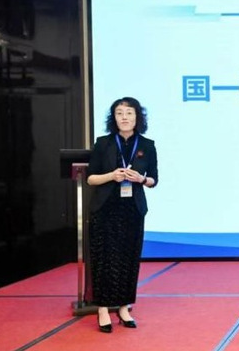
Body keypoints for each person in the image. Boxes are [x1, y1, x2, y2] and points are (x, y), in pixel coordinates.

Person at [87, 97, 158, 333]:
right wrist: (111, 176)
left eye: (129, 113)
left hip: (132, 210)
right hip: (105, 209)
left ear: (138, 117)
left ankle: (124, 307)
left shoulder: (147, 145)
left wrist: (141, 179)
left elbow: (154, 179)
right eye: (119, 113)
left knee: (129, 258)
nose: (124, 117)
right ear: (114, 118)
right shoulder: (103, 143)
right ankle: (103, 309)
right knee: (104, 259)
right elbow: (91, 178)